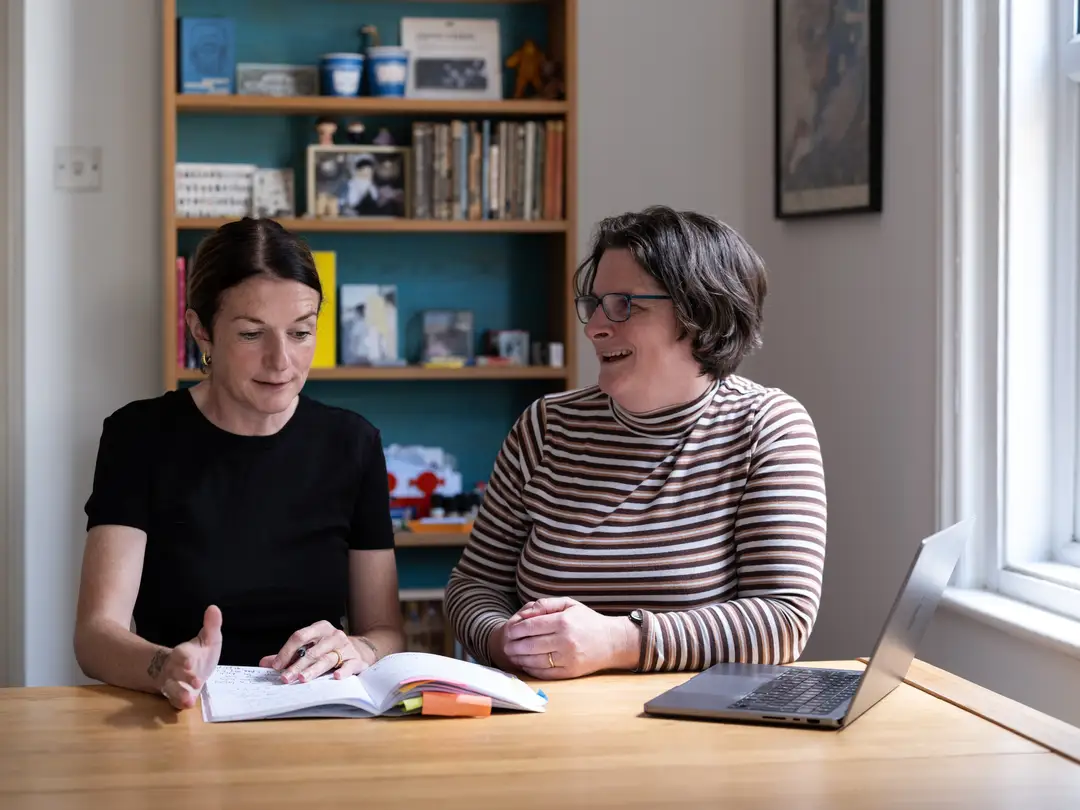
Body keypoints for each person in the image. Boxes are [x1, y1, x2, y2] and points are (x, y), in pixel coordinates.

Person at [444, 205, 827, 679]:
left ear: (700, 314)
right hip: (546, 719)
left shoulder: (766, 428)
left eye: (625, 305)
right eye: (595, 304)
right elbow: (473, 585)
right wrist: (506, 641)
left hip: (702, 731)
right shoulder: (544, 427)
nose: (594, 327)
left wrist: (615, 641)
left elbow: (782, 620)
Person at [74, 218, 405, 710]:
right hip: (178, 716)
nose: (281, 361)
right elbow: (96, 636)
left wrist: (357, 647)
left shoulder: (352, 443)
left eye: (300, 333)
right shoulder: (139, 436)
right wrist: (164, 666)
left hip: (316, 716)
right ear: (200, 331)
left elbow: (386, 632)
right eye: (253, 334)